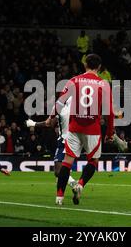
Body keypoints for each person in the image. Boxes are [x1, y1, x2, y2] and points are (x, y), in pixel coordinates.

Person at [50, 53, 114, 206]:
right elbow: (109, 112)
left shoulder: (73, 81)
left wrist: (52, 116)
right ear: (99, 67)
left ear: (85, 65)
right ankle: (80, 184)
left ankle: (59, 197)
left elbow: (60, 102)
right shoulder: (103, 84)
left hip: (74, 128)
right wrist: (109, 132)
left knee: (67, 162)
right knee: (93, 161)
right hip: (92, 129)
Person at [26, 97, 77, 190]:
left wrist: (33, 124)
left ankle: (74, 184)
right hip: (75, 141)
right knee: (64, 167)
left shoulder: (60, 108)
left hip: (64, 141)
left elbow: (48, 124)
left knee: (58, 172)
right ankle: (68, 184)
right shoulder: (78, 110)